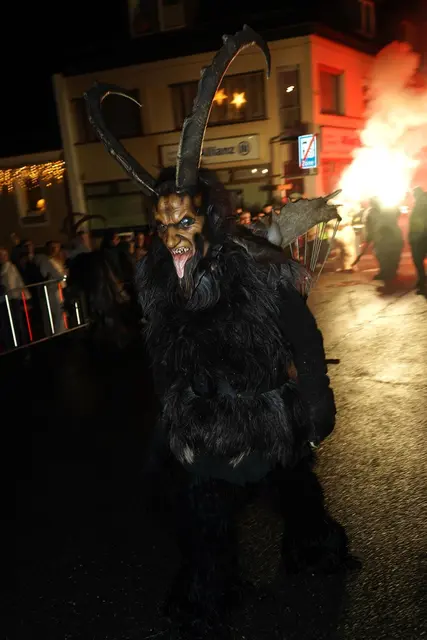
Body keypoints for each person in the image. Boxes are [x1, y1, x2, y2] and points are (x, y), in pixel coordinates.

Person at [84, 25, 354, 633]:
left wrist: (316, 403)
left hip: (268, 416)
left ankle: (313, 548)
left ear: (208, 218)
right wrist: (173, 419)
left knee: (295, 493)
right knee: (204, 519)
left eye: (183, 222)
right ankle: (212, 593)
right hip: (206, 425)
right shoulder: (159, 280)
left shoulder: (256, 265)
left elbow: (303, 335)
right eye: (162, 226)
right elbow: (164, 356)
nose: (172, 237)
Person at [409, 187, 427, 295]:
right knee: (418, 260)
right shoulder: (421, 202)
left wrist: (414, 237)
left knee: (418, 260)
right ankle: (421, 281)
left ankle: (422, 283)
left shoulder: (421, 204)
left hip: (420, 238)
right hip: (421, 237)